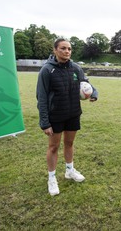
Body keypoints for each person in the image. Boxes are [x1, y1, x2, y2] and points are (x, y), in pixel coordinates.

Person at [36, 38, 98, 196]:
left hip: (73, 113)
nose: (67, 52)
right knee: (53, 147)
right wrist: (44, 122)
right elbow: (41, 97)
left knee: (69, 143)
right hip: (55, 116)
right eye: (63, 48)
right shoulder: (47, 70)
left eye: (69, 49)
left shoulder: (76, 68)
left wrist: (94, 93)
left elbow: (86, 83)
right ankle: (51, 178)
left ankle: (69, 171)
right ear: (55, 50)